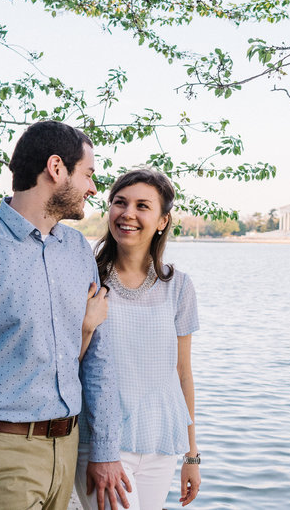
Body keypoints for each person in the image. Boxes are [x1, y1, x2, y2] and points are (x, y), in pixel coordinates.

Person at [0, 121, 133, 510]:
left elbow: (97, 362)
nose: (93, 188)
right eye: (88, 174)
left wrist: (104, 449)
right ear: (56, 168)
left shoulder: (76, 250)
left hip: (66, 452)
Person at [76, 167, 202, 510]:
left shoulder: (179, 286)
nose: (128, 213)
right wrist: (87, 326)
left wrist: (192, 456)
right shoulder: (85, 277)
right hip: (104, 443)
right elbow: (65, 366)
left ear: (162, 220)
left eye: (143, 206)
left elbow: (183, 373)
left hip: (160, 443)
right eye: (120, 202)